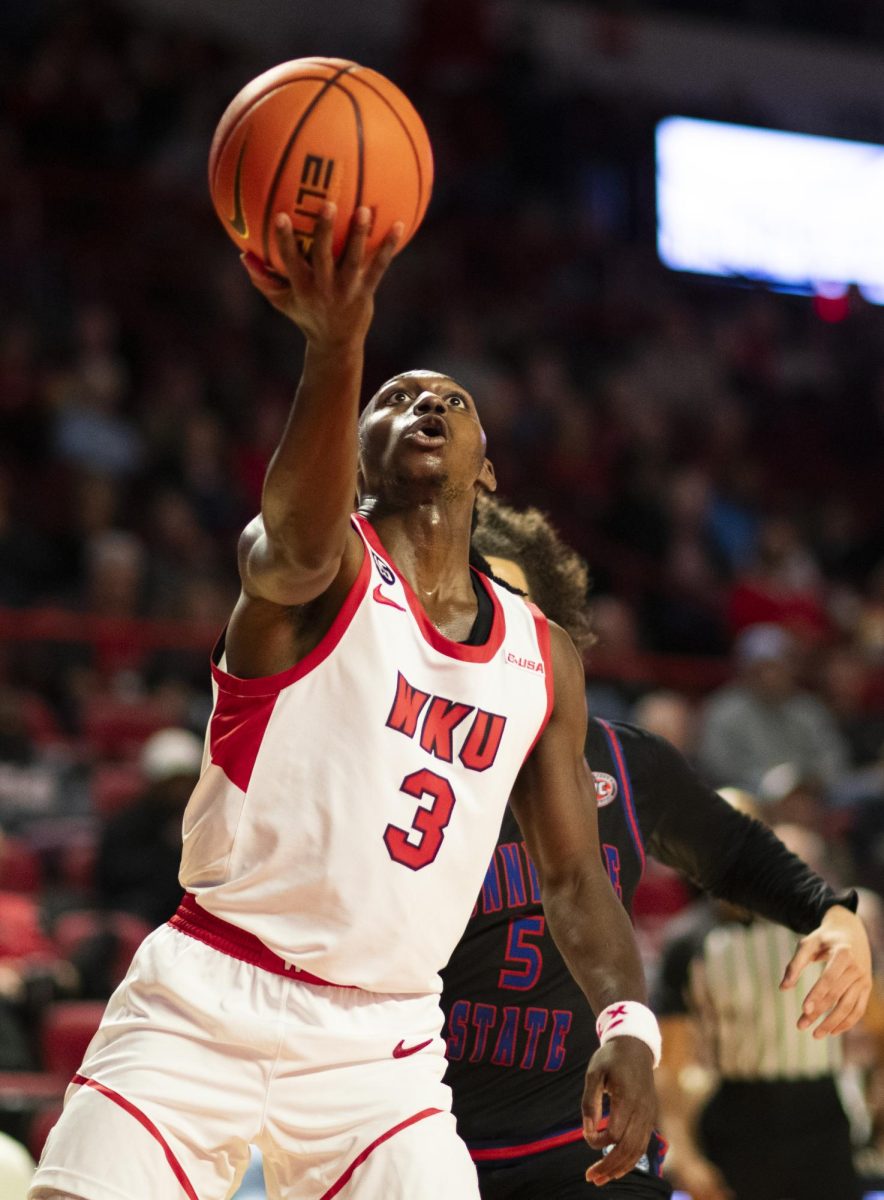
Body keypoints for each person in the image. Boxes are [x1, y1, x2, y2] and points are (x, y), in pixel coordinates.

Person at [30, 205, 657, 1200]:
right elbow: (295, 534)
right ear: (356, 448)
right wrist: (336, 348)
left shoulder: (541, 657)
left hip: (383, 1044)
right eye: (395, 398)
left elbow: (574, 879)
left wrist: (627, 1026)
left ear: (485, 465)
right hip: (206, 993)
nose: (422, 408)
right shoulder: (311, 575)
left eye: (448, 400)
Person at [439, 494, 871, 1200]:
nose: (499, 625)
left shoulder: (624, 761)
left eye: (516, 603)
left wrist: (832, 915)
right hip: (434, 1130)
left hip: (586, 1132)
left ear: (553, 624)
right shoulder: (408, 756)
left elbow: (732, 851)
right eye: (474, 602)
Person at [654, 810, 864, 1200]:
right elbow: (670, 1065)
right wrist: (683, 1150)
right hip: (736, 1120)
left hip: (822, 1116)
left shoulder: (821, 926)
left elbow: (876, 1017)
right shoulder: (689, 941)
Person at [697, 621, 850, 792]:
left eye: (777, 668)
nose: (770, 677)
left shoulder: (808, 709)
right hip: (749, 797)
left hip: (812, 797)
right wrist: (772, 785)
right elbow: (717, 768)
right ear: (745, 671)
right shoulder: (723, 710)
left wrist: (808, 782)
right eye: (762, 669)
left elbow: (833, 760)